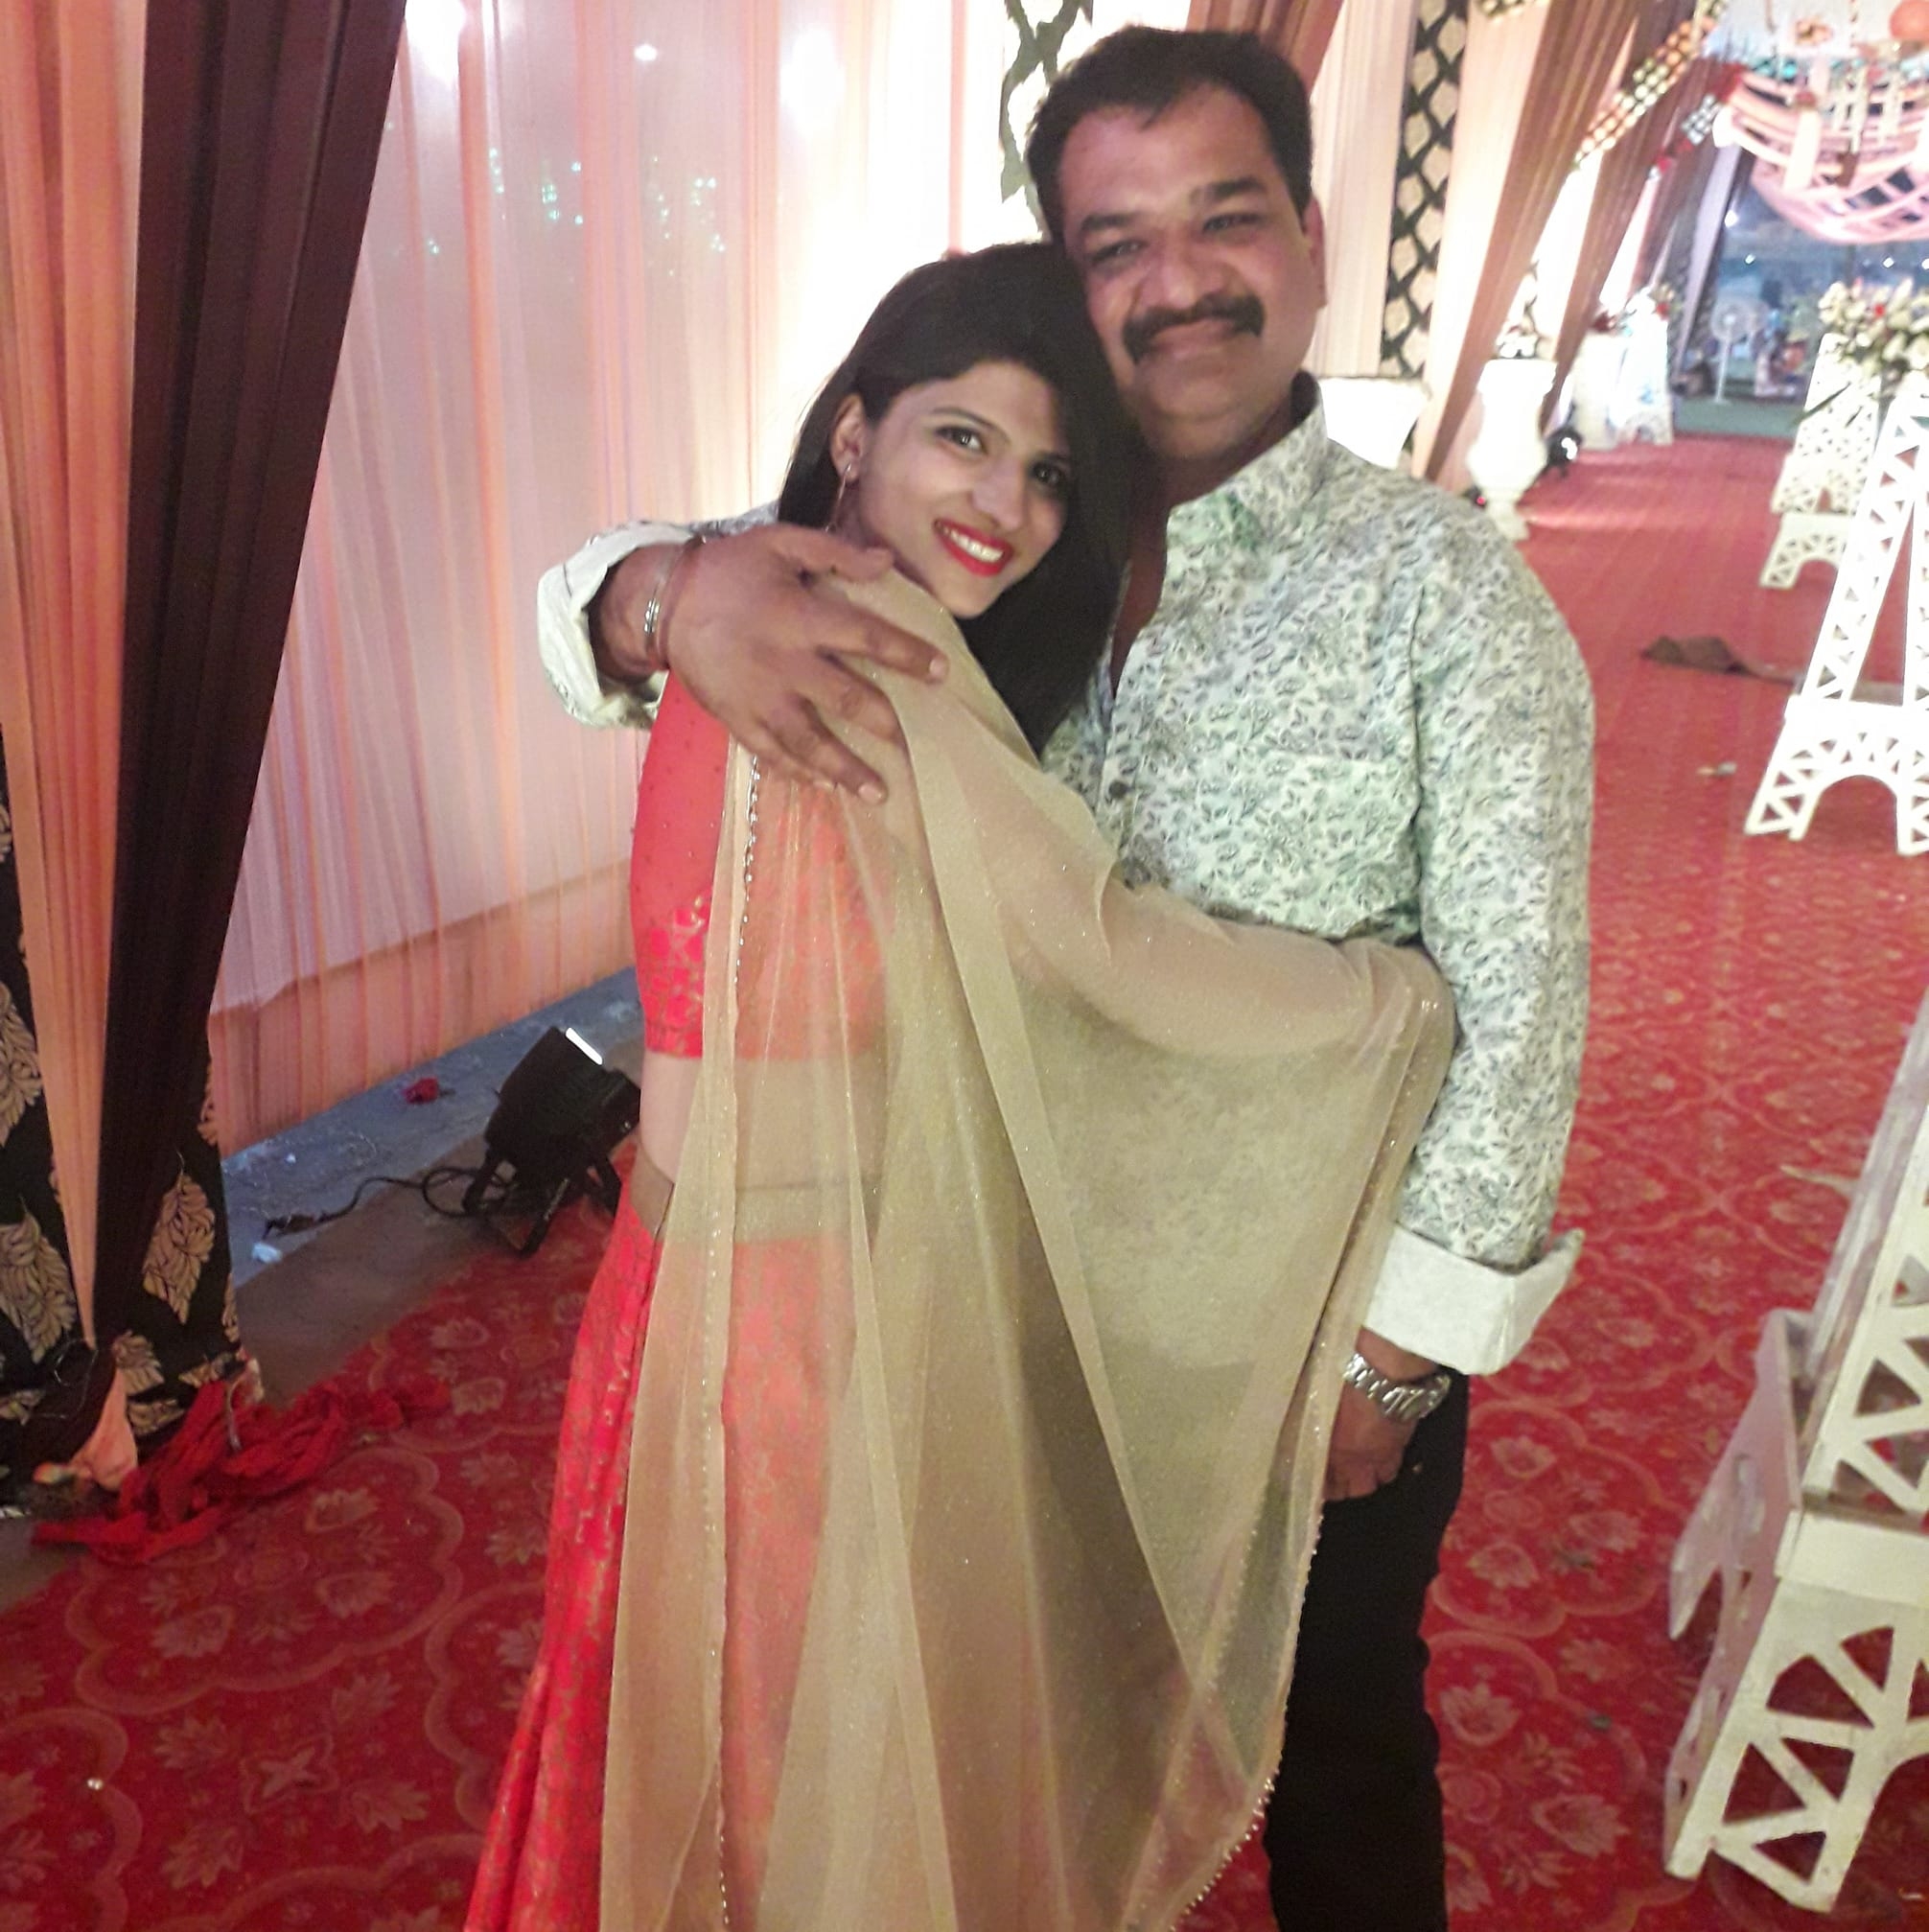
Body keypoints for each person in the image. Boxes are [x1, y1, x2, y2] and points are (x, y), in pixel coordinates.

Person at [538, 32, 1593, 1930]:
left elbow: (1519, 1020)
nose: (1177, 282)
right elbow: (716, 607)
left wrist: (1393, 1361)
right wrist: (661, 585)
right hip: (989, 1290)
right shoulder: (1005, 561)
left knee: (1331, 1740)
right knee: (1014, 1734)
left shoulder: (1445, 595)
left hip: (1285, 1322)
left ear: (1310, 237)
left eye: (1224, 219)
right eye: (1117, 243)